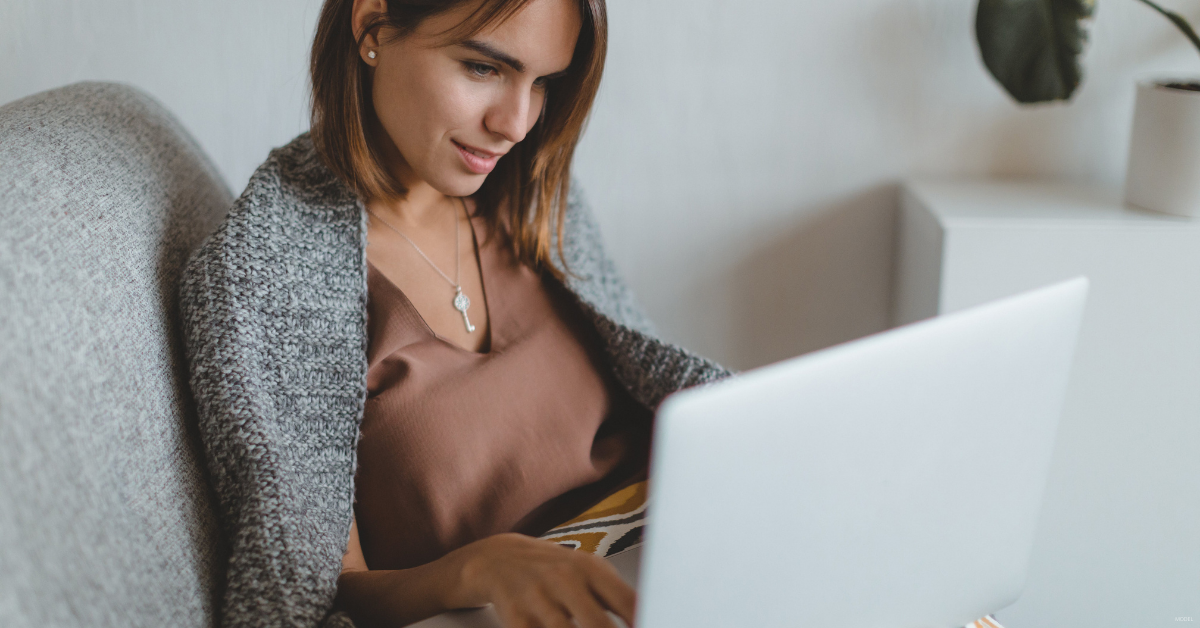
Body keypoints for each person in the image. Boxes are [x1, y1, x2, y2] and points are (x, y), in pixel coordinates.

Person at [179, 0, 730, 627]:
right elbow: (315, 596)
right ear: (373, 24)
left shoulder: (533, 191)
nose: (517, 124)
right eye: (483, 69)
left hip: (698, 541)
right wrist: (478, 571)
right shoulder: (266, 271)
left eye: (544, 82)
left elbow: (655, 384)